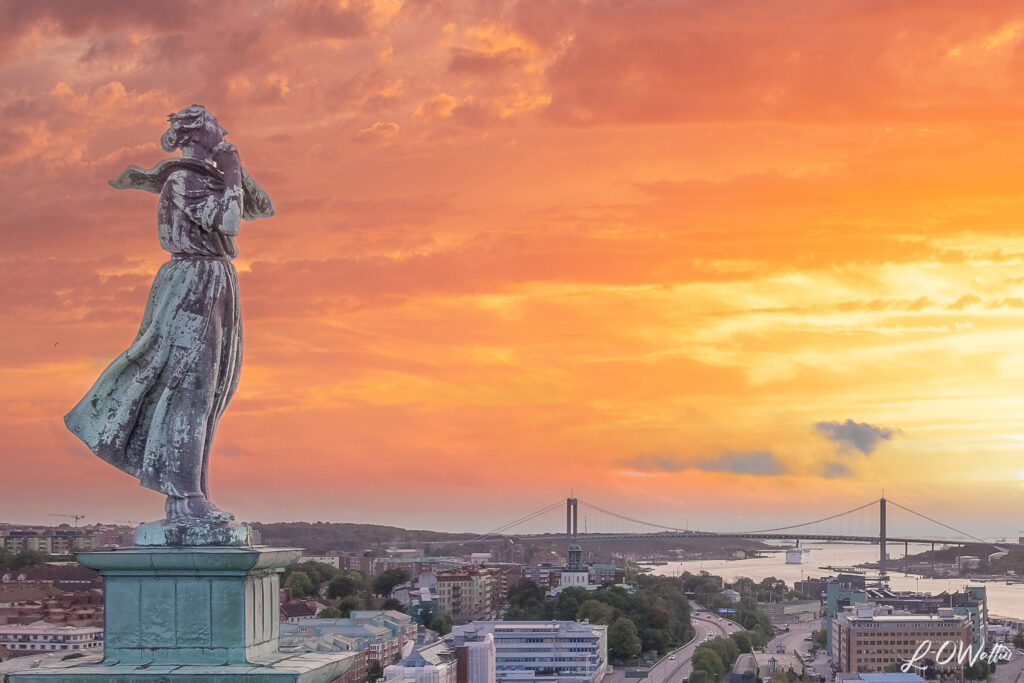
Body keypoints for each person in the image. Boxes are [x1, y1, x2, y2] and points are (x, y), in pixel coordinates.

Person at [65, 105, 274, 523]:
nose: (223, 129)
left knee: (211, 392)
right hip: (193, 283)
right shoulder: (183, 180)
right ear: (197, 132)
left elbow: (262, 208)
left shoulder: (208, 177)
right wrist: (231, 172)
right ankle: (184, 497)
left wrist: (234, 169)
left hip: (214, 282)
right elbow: (229, 222)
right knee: (189, 388)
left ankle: (193, 494)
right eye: (214, 124)